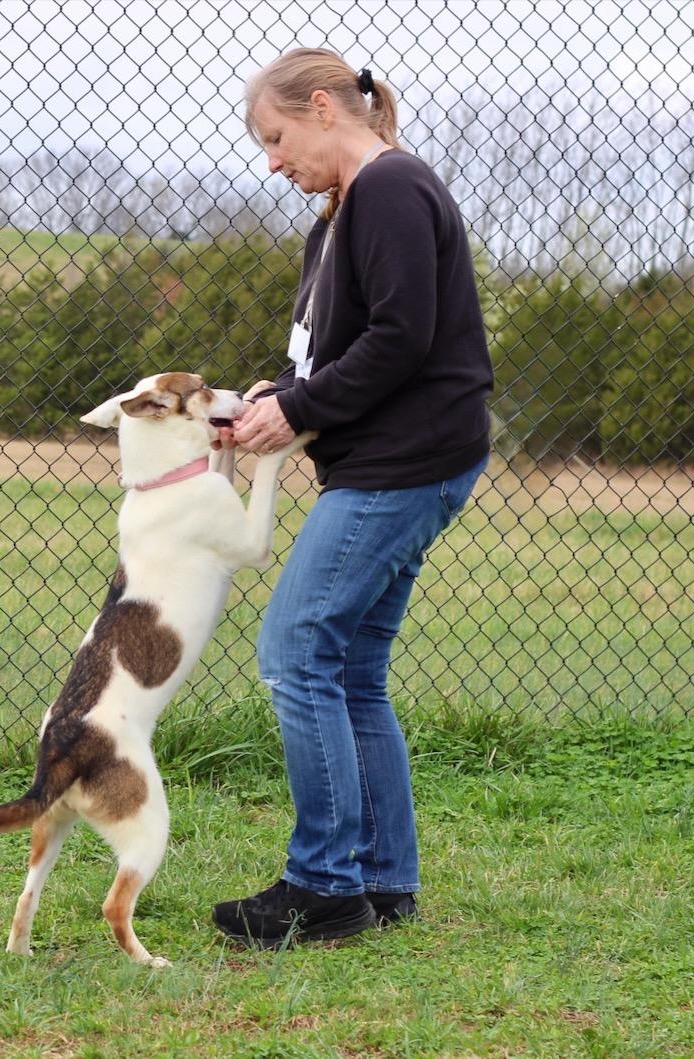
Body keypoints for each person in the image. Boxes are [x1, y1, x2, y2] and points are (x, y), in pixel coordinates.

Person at [211, 48, 493, 948]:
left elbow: (403, 337)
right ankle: (383, 882)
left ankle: (324, 884)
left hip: (401, 465)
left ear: (324, 107)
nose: (272, 160)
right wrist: (272, 399)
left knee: (296, 653)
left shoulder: (391, 190)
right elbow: (324, 354)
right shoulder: (336, 219)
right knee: (353, 672)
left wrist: (297, 410)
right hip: (395, 462)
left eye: (277, 136)